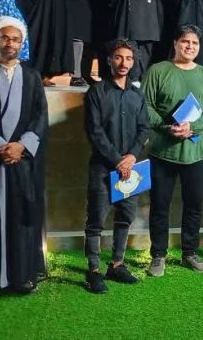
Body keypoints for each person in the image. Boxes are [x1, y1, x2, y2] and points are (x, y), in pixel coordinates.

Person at [142, 24, 203, 277]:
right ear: (175, 43)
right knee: (159, 206)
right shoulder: (157, 70)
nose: (190, 47)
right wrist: (166, 127)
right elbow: (145, 106)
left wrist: (192, 127)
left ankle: (189, 252)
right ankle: (158, 255)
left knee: (194, 206)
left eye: (195, 43)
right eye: (185, 42)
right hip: (163, 152)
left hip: (196, 154)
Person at [0, 17, 48, 300]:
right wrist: (0, 146)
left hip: (22, 160)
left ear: (22, 43)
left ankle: (22, 276)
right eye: (5, 38)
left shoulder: (32, 76)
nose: (10, 43)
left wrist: (21, 146)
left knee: (22, 217)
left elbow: (41, 116)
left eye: (16, 39)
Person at [82, 39, 150, 294]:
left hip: (130, 169)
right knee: (96, 220)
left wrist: (131, 156)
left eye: (129, 58)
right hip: (103, 167)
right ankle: (93, 270)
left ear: (133, 62)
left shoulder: (137, 94)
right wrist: (117, 160)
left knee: (125, 216)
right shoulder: (96, 92)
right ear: (110, 60)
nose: (124, 63)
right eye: (119, 57)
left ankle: (117, 265)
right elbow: (95, 131)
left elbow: (144, 128)